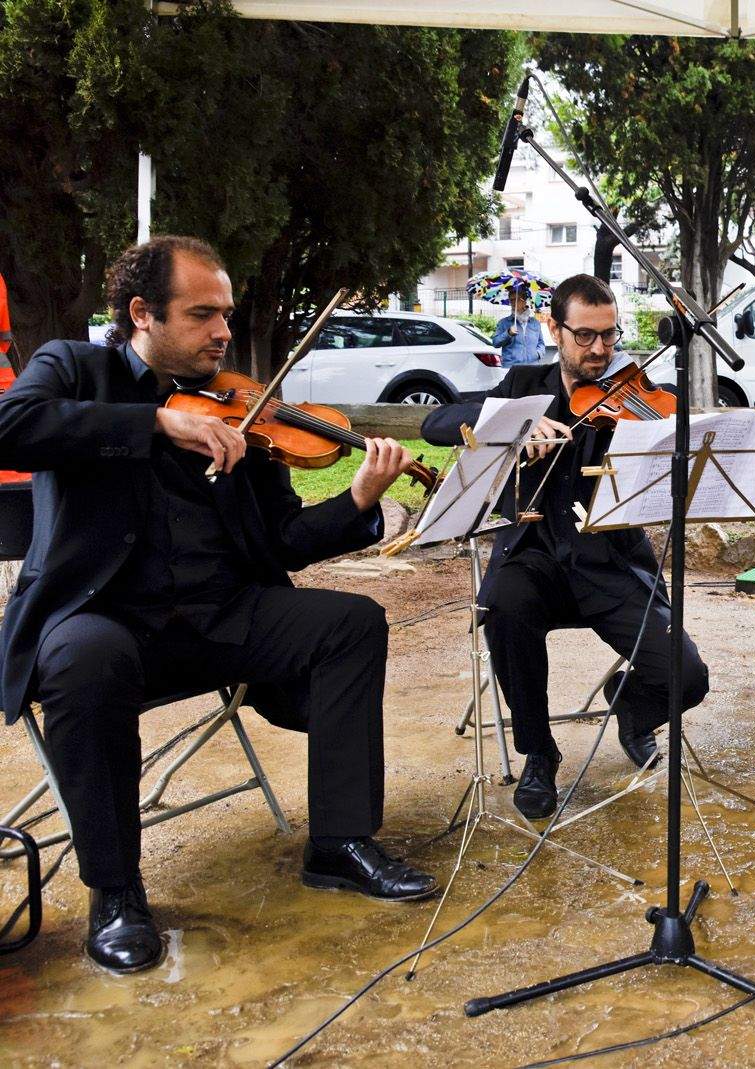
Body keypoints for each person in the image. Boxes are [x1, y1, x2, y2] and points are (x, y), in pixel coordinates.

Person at [0, 236, 438, 975]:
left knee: (350, 622)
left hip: (219, 615)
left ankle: (338, 841)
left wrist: (359, 499)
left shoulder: (246, 406)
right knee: (85, 658)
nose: (223, 332)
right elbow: (9, 426)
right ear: (143, 314)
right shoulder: (76, 369)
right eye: (203, 314)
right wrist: (155, 423)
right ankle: (116, 892)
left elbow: (283, 541)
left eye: (226, 315)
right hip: (105, 617)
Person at [421, 274, 708, 821]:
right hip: (536, 560)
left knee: (687, 678)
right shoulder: (522, 384)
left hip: (611, 564)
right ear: (555, 329)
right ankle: (539, 752)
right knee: (504, 604)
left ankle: (631, 707)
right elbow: (435, 421)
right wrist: (513, 423)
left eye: (609, 335)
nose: (600, 350)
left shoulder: (632, 392)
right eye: (585, 336)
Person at [492, 291, 546, 367]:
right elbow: (495, 342)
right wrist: (508, 333)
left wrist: (538, 354)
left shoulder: (535, 323)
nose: (513, 302)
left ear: (524, 301)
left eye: (516, 299)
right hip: (512, 367)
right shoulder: (504, 322)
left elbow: (541, 343)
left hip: (533, 367)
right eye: (511, 300)